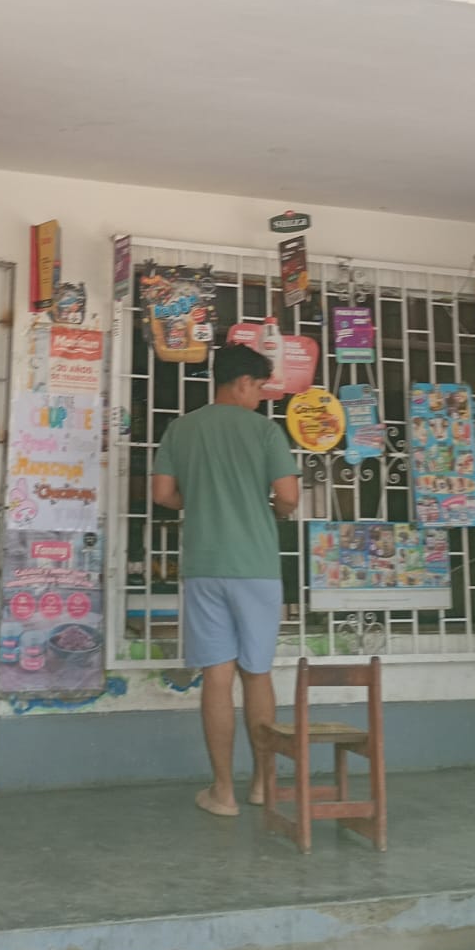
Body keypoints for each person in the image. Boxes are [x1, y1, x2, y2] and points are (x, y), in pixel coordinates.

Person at [153, 342, 300, 818]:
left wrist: (196, 501)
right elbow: (288, 496)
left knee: (217, 676)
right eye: (258, 388)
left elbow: (162, 493)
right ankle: (261, 785)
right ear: (242, 383)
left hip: (204, 564)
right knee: (256, 673)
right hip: (256, 566)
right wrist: (272, 510)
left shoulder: (181, 429)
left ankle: (222, 792)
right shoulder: (265, 431)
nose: (260, 397)